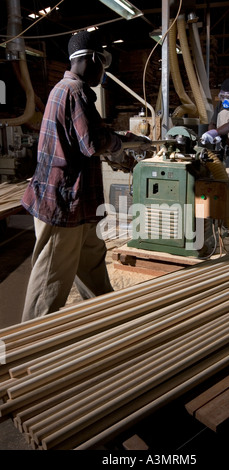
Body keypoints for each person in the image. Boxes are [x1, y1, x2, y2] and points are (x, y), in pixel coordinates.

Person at [21, 30, 150, 322]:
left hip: (78, 204)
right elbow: (91, 143)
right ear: (92, 59)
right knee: (49, 282)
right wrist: (120, 145)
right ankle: (27, 348)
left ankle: (106, 321)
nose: (102, 73)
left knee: (91, 264)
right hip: (63, 205)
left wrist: (127, 139)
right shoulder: (76, 92)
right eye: (102, 65)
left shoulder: (62, 89)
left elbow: (88, 137)